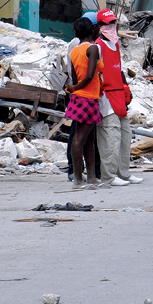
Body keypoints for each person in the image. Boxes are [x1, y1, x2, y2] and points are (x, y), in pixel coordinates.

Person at [93, 9, 135, 187]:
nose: (112, 27)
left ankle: (123, 172)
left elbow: (118, 69)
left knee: (125, 135)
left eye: (113, 23)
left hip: (118, 94)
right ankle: (109, 176)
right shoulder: (97, 46)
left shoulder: (115, 44)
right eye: (107, 24)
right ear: (100, 27)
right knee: (110, 137)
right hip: (106, 96)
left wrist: (126, 88)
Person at [65, 16, 104, 189]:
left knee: (88, 140)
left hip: (80, 97)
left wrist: (74, 87)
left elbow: (74, 77)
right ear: (92, 31)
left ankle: (91, 178)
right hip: (88, 97)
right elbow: (89, 76)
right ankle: (79, 179)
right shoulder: (93, 48)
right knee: (80, 139)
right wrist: (76, 87)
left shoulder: (74, 51)